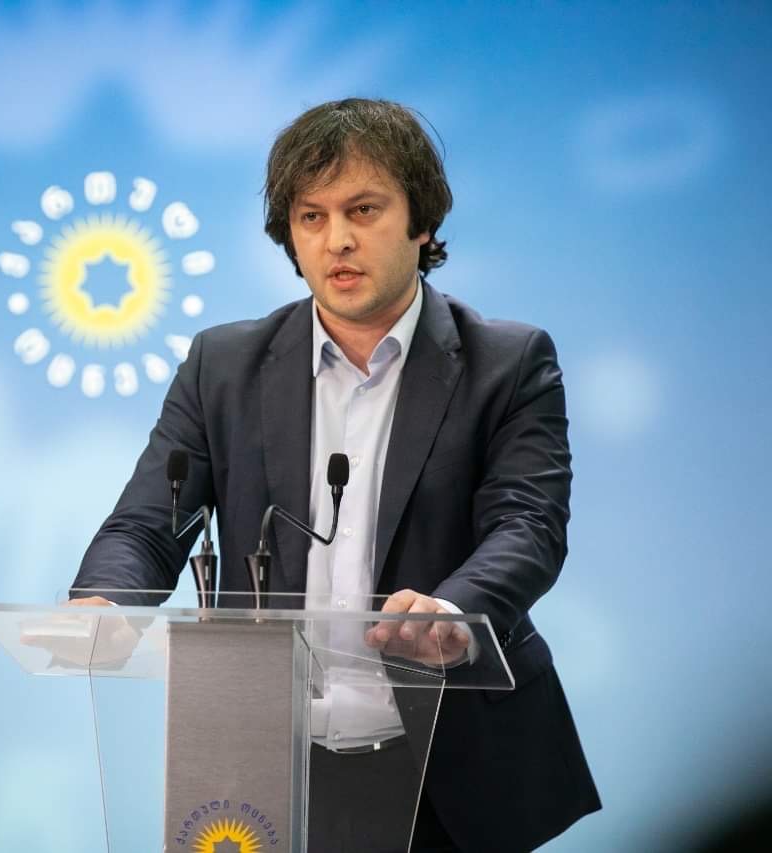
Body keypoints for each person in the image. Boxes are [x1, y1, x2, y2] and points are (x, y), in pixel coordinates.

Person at [70, 98, 600, 851]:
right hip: (259, 764)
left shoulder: (508, 363)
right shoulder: (224, 365)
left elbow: (529, 524)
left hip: (449, 762)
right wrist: (105, 599)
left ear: (422, 222)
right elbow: (151, 523)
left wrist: (453, 611)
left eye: (364, 210)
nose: (337, 239)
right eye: (311, 217)